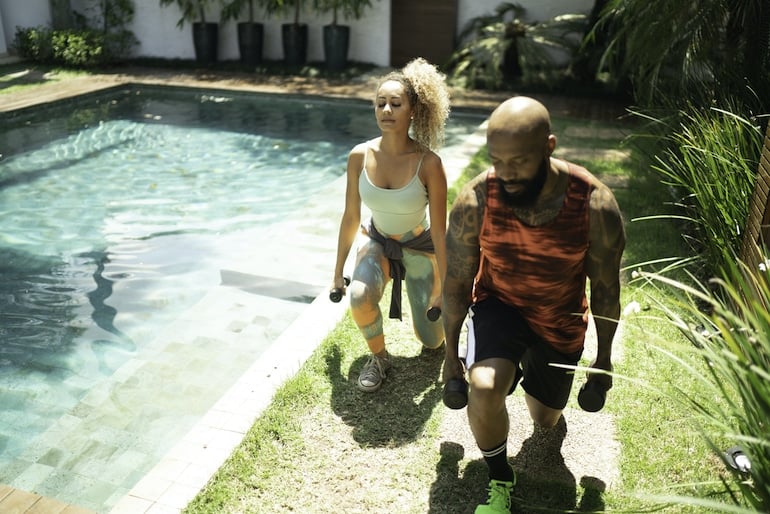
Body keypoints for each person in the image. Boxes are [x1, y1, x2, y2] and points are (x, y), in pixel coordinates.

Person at [441, 96, 625, 513]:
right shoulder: (477, 201)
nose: (506, 173)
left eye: (519, 162)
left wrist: (603, 358)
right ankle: (500, 477)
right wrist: (451, 356)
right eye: (497, 161)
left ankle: (532, 380)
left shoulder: (594, 205)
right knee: (484, 388)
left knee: (546, 421)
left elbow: (606, 288)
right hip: (499, 306)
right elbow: (456, 283)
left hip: (559, 318)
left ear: (549, 147)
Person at [331, 58, 451, 392]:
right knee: (360, 296)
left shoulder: (429, 164)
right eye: (380, 103)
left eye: (396, 104)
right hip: (377, 239)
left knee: (431, 340)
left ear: (413, 111)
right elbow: (351, 216)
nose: (386, 110)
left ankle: (440, 331)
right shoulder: (359, 156)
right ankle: (380, 358)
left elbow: (439, 231)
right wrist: (337, 272)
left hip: (419, 244)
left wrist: (444, 287)